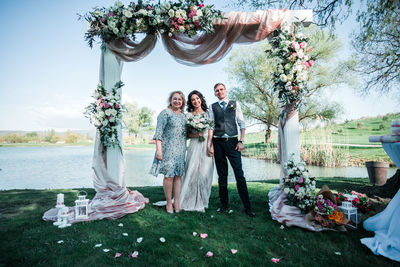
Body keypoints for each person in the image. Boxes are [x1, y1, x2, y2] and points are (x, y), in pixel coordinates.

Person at [207, 83, 255, 217]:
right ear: (215, 93)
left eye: (221, 89)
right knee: (222, 176)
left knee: (239, 175)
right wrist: (210, 144)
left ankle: (248, 207)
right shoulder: (212, 107)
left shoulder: (235, 104)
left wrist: (241, 141)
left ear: (226, 91)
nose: (219, 92)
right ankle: (224, 205)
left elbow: (242, 123)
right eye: (217, 90)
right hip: (218, 143)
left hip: (233, 143)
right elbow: (211, 126)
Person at [150, 91, 186, 214]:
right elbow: (158, 133)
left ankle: (176, 202)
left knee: (178, 176)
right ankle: (169, 204)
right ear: (170, 100)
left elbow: (185, 133)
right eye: (175, 99)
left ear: (182, 102)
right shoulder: (165, 113)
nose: (177, 101)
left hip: (181, 150)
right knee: (169, 176)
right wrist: (159, 151)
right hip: (168, 150)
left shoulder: (183, 115)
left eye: (180, 99)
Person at [180, 90, 214, 212]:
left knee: (205, 173)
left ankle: (203, 200)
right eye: (193, 99)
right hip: (194, 145)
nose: (196, 101)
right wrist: (197, 134)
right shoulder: (188, 115)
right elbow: (186, 134)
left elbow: (211, 131)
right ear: (190, 102)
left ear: (201, 99)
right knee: (192, 171)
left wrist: (210, 146)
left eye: (197, 98)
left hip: (206, 144)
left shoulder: (208, 113)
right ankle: (188, 198)